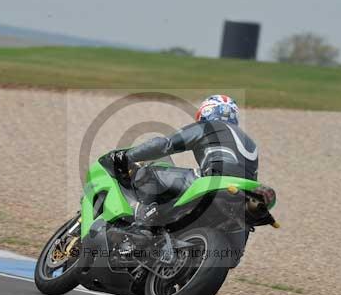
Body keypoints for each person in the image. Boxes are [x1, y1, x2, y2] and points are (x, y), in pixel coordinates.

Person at [109, 95, 273, 222]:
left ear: (206, 112)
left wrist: (127, 156)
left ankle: (143, 221)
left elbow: (164, 145)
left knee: (149, 172)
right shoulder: (250, 142)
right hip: (244, 191)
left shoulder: (208, 126)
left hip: (214, 180)